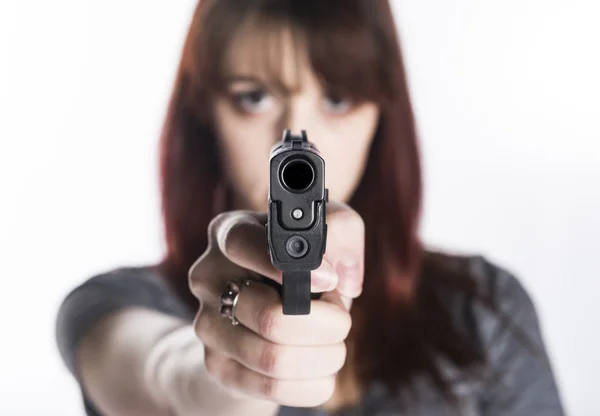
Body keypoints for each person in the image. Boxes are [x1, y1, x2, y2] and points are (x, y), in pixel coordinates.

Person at [55, 0, 566, 415]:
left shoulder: (482, 310)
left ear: (381, 117)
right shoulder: (115, 303)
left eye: (338, 99)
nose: (299, 136)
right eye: (253, 97)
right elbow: (160, 370)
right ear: (205, 114)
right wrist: (221, 375)